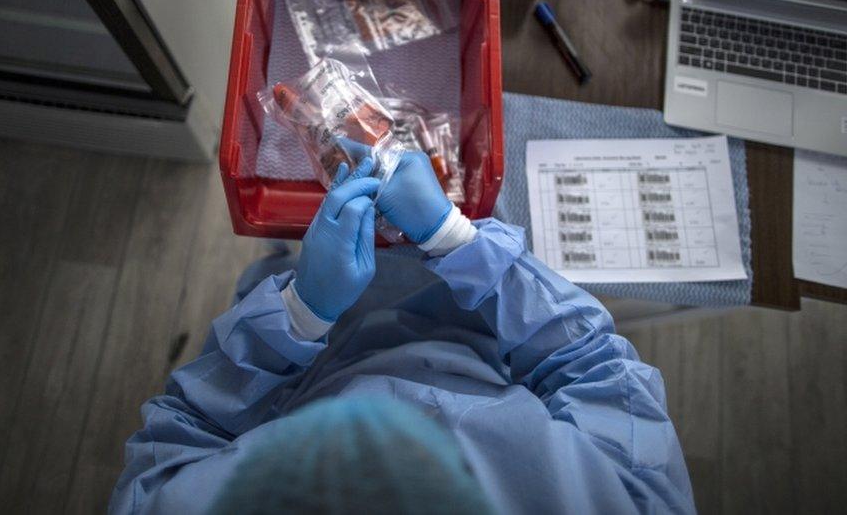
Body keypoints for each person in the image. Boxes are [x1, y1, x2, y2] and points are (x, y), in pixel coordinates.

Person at [109, 144, 696, 514]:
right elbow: (592, 366)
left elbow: (185, 432)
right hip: (475, 330)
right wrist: (454, 240)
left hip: (300, 364)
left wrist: (299, 312)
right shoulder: (630, 501)